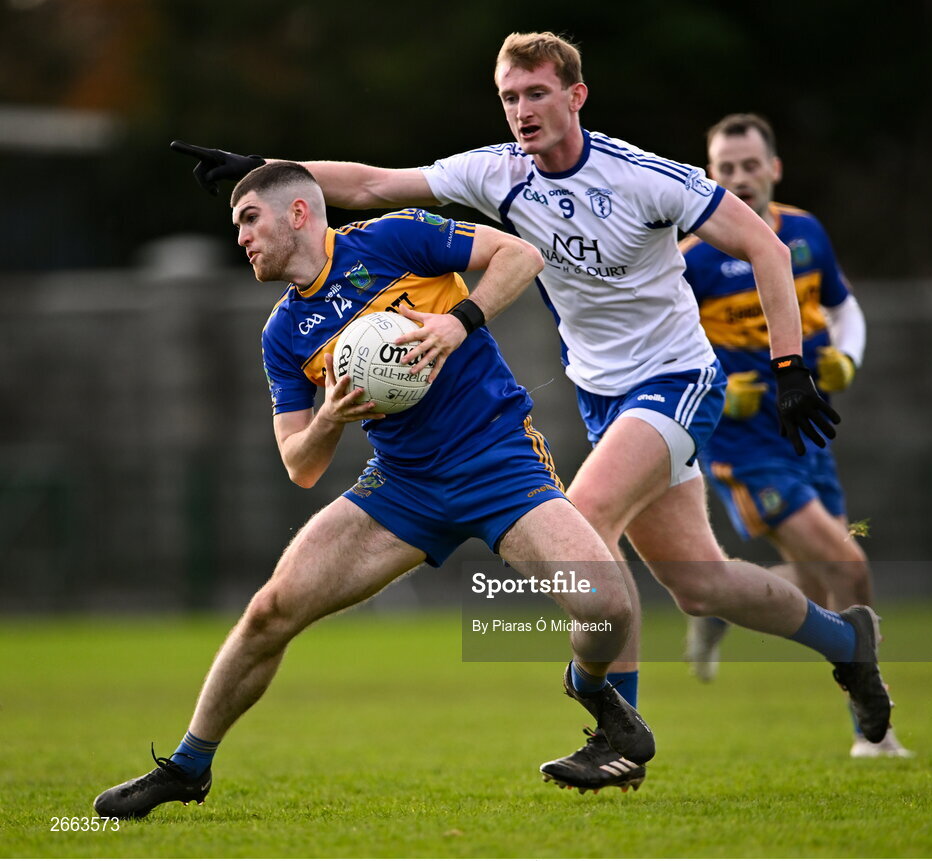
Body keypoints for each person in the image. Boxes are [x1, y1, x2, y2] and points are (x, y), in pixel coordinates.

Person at [170, 31, 892, 795]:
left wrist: (788, 367)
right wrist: (266, 172)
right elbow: (376, 184)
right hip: (602, 395)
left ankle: (613, 735)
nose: (520, 111)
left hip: (677, 376)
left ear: (575, 96)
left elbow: (765, 249)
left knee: (588, 517)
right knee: (698, 583)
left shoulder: (642, 177)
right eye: (509, 97)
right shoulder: (497, 171)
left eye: (536, 94)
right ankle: (846, 641)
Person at [92, 161, 656, 819]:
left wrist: (458, 320)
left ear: (298, 213)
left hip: (498, 462)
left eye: (249, 219)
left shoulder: (392, 238)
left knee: (607, 605)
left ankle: (588, 690)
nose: (241, 237)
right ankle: (187, 767)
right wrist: (328, 419)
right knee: (270, 611)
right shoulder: (283, 332)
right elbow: (299, 463)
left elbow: (520, 254)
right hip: (401, 487)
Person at [679, 113, 911, 758]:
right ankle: (875, 726)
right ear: (709, 175)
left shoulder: (804, 232)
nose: (740, 178)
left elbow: (842, 306)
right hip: (743, 446)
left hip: (806, 430)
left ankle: (725, 604)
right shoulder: (693, 257)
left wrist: (847, 358)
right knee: (847, 564)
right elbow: (666, 348)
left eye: (751, 165)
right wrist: (723, 391)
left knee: (814, 583)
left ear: (774, 168)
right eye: (726, 169)